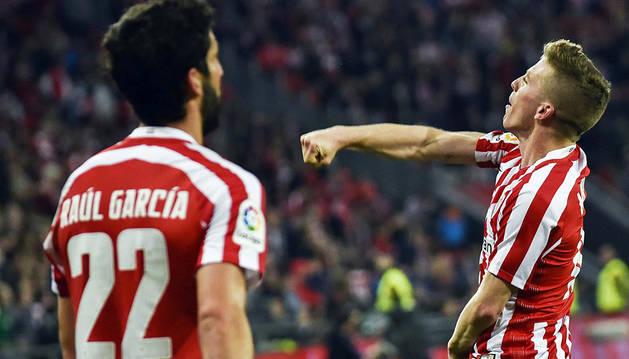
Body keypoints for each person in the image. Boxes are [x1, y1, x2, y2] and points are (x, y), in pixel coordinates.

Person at [300, 39, 610, 358]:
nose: (515, 83)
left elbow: (486, 308)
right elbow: (428, 143)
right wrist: (340, 135)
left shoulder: (540, 194)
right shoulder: (520, 151)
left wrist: (454, 352)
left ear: (544, 111)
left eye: (528, 80)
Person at [42, 1, 267, 358]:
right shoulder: (223, 187)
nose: (221, 72)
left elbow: (70, 341)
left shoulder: (77, 188)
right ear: (195, 81)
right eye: (214, 59)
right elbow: (217, 318)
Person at [596, 244, 629, 314]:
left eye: (604, 254)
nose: (601, 257)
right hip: (605, 310)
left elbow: (625, 285)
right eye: (601, 254)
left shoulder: (616, 266)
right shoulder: (606, 269)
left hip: (616, 309)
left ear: (611, 253)